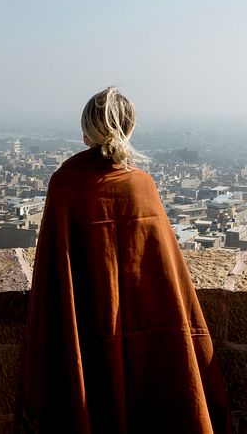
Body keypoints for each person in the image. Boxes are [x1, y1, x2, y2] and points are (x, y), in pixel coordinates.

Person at [21, 87, 230, 433]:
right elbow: (162, 270)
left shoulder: (66, 184)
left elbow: (55, 270)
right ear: (129, 129)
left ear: (86, 131)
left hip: (85, 324)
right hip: (146, 326)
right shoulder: (141, 185)